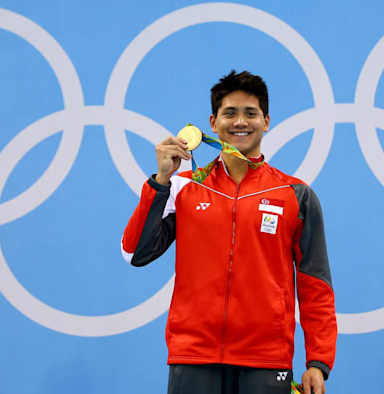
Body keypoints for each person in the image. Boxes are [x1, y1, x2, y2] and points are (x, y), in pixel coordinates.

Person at [122, 70, 337, 394]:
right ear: (212, 122)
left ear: (266, 121)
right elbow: (135, 253)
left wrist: (317, 362)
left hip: (266, 360)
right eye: (230, 113)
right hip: (194, 356)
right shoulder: (184, 188)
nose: (240, 122)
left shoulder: (295, 194)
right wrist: (160, 182)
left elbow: (315, 283)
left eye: (250, 113)